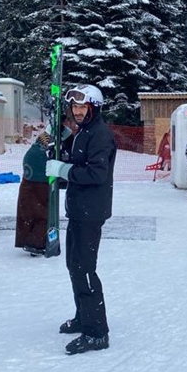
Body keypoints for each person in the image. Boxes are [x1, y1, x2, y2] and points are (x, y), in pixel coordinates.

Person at [45, 84, 117, 355]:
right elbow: (76, 154)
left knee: (85, 270)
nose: (76, 111)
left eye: (82, 107)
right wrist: (61, 138)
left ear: (93, 108)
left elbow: (96, 174)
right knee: (73, 265)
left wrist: (64, 170)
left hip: (91, 212)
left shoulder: (100, 135)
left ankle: (97, 332)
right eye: (74, 107)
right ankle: (83, 316)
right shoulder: (84, 132)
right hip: (78, 210)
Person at [15, 132, 52, 255]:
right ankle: (36, 244)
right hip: (39, 187)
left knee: (27, 216)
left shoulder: (32, 151)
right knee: (42, 216)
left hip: (27, 186)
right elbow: (47, 171)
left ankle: (27, 240)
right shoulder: (41, 154)